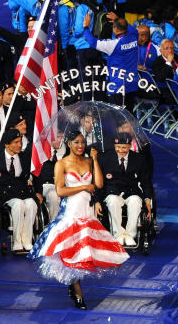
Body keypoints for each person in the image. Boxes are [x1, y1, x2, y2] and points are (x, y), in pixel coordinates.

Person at [30, 130, 128, 310]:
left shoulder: (89, 161)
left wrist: (96, 161)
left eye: (82, 142)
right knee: (72, 250)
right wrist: (84, 186)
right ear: (69, 144)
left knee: (84, 252)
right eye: (76, 142)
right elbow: (60, 191)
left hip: (87, 211)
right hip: (71, 212)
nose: (80, 145)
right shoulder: (62, 164)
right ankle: (77, 292)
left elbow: (98, 184)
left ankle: (73, 284)